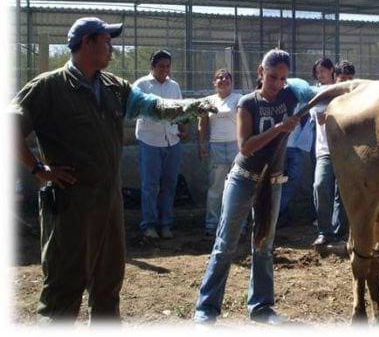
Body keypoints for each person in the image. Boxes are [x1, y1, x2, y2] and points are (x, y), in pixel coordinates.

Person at [10, 17, 214, 324]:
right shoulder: (48, 88)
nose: (112, 49)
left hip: (108, 204)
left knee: (107, 287)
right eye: (107, 41)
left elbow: (152, 106)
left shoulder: (112, 87)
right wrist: (38, 168)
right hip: (69, 208)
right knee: (63, 291)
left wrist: (192, 106)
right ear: (88, 42)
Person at [193, 49, 300, 325]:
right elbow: (246, 146)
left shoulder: (290, 95)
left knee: (264, 245)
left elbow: (313, 94)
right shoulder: (247, 102)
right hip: (243, 179)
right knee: (225, 244)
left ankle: (262, 307)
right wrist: (280, 128)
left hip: (272, 182)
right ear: (260, 71)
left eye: (282, 78)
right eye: (272, 76)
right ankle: (206, 308)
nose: (277, 84)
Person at [134, 50, 186, 240]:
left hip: (172, 140)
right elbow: (133, 109)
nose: (165, 69)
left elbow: (180, 110)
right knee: (150, 184)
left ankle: (165, 224)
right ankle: (148, 225)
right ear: (152, 66)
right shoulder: (141, 85)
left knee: (169, 184)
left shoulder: (174, 86)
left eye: (167, 66)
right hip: (150, 141)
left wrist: (181, 127)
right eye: (161, 66)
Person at [197, 69, 242, 236]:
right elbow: (202, 124)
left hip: (236, 146)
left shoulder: (239, 99)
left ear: (231, 81)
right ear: (214, 82)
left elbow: (245, 122)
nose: (223, 80)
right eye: (219, 78)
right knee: (216, 187)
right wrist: (201, 145)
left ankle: (239, 224)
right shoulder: (208, 101)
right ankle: (212, 223)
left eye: (226, 77)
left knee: (238, 187)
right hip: (216, 147)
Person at [310, 58, 348, 251]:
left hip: (344, 151)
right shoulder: (316, 93)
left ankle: (340, 232)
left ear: (332, 70)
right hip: (324, 150)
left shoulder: (343, 91)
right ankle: (324, 231)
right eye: (317, 72)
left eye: (323, 70)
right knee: (320, 185)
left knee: (342, 193)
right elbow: (316, 115)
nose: (320, 75)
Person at [277, 103, 313, 227]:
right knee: (279, 181)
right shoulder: (276, 102)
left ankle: (280, 211)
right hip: (279, 148)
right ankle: (280, 214)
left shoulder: (301, 99)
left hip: (295, 147)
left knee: (293, 180)